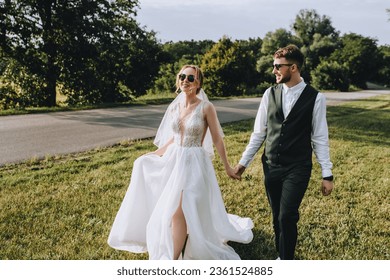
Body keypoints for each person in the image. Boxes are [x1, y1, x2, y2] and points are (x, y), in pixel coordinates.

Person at [108, 64, 253, 260]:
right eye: (182, 76)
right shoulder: (175, 107)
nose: (185, 80)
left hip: (194, 161)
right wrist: (153, 154)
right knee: (171, 207)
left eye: (191, 78)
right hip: (174, 159)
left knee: (180, 210)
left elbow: (217, 139)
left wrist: (227, 166)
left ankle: (173, 258)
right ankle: (176, 249)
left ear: (198, 83)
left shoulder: (206, 107)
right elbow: (173, 138)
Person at [233, 45, 334, 260]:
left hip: (298, 167)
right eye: (274, 66)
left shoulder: (316, 98)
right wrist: (243, 164)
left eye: (278, 66)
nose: (274, 71)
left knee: (287, 215)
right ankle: (282, 255)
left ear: (294, 67)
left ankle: (286, 262)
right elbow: (258, 133)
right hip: (271, 165)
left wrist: (327, 174)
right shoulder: (269, 94)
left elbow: (319, 138)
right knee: (277, 215)